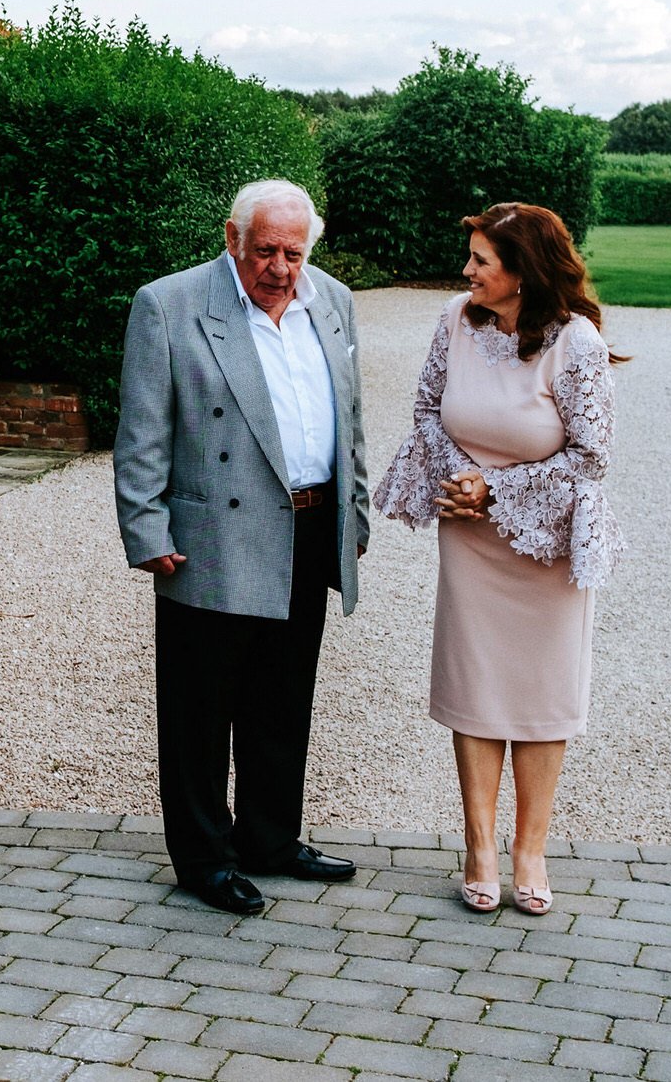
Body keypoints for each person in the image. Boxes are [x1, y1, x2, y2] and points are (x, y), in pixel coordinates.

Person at [114, 178, 371, 916]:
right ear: (232, 237)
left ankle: (270, 838)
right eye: (265, 250)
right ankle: (203, 856)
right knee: (201, 708)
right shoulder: (171, 304)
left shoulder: (334, 300)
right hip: (211, 536)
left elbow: (348, 418)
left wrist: (354, 514)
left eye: (294, 252)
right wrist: (146, 529)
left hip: (311, 525)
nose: (281, 268)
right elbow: (140, 434)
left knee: (283, 699)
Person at [376, 201, 625, 917]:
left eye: (482, 260)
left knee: (542, 694)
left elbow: (592, 455)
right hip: (470, 534)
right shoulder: (454, 319)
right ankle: (480, 846)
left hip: (546, 542)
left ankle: (531, 850)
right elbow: (426, 409)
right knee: (477, 684)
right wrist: (462, 481)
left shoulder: (575, 342)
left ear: (523, 271)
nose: (467, 271)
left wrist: (500, 489)